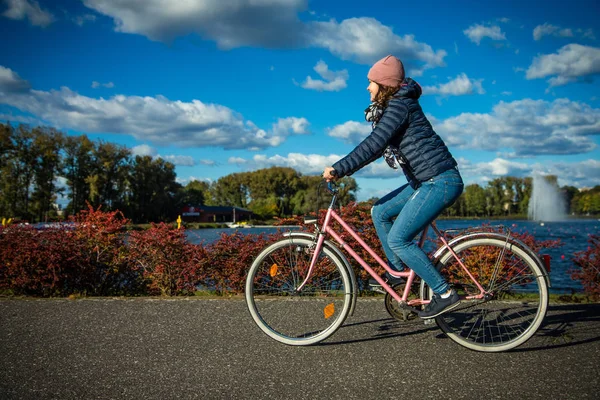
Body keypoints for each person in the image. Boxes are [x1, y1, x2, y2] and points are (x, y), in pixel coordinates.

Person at [322, 55, 464, 319]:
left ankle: (444, 293)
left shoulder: (400, 106)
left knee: (399, 239)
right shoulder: (397, 106)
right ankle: (397, 275)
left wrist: (339, 168)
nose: (367, 88)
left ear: (384, 83)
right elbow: (377, 146)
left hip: (439, 181)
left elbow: (374, 144)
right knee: (380, 211)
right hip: (425, 181)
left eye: (371, 82)